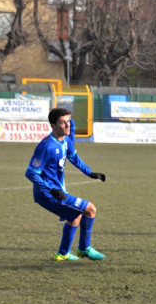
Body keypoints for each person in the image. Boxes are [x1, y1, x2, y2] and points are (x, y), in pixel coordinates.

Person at [25, 108, 107, 261]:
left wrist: (90, 173)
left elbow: (74, 158)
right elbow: (31, 173)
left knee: (75, 217)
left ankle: (63, 253)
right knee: (90, 209)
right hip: (47, 194)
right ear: (53, 125)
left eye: (68, 122)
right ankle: (83, 249)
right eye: (62, 123)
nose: (67, 126)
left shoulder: (65, 141)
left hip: (57, 191)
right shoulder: (46, 146)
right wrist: (52, 190)